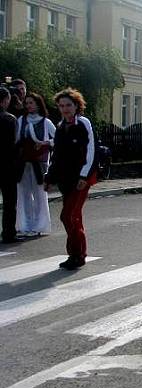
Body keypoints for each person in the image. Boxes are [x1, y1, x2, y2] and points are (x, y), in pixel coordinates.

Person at [44, 89, 98, 270]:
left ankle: (78, 254)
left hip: (81, 179)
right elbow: (56, 155)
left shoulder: (83, 123)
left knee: (67, 216)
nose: (65, 109)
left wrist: (85, 175)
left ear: (76, 106)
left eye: (68, 105)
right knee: (74, 217)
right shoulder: (60, 127)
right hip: (65, 179)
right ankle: (75, 254)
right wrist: (49, 177)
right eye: (61, 106)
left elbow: (91, 150)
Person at [15, 93, 54, 237]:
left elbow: (57, 139)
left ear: (38, 104)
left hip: (40, 162)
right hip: (24, 161)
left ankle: (39, 225)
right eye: (27, 103)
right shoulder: (21, 120)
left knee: (39, 194)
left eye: (31, 103)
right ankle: (25, 225)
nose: (29, 106)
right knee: (24, 194)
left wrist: (44, 143)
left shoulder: (45, 122)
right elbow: (17, 140)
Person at [0, 87, 21, 243]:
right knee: (9, 202)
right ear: (5, 101)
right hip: (6, 165)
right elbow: (14, 144)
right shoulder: (9, 119)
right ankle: (8, 232)